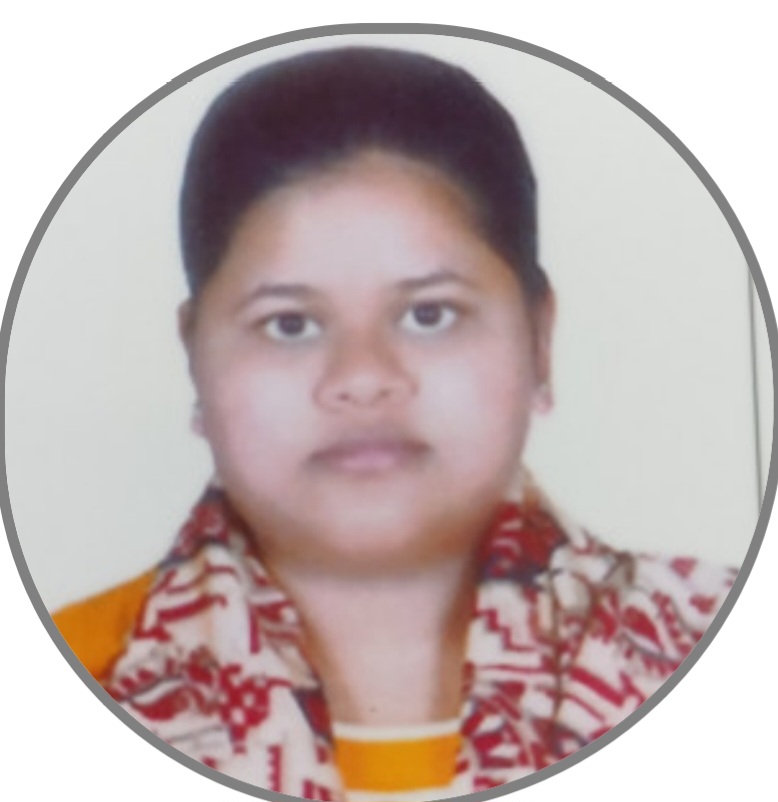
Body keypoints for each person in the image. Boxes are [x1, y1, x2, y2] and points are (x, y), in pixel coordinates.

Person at [52, 47, 736, 801]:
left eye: (429, 314)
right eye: (289, 324)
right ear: (195, 356)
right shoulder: (59, 683)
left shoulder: (727, 654)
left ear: (539, 339)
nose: (363, 377)